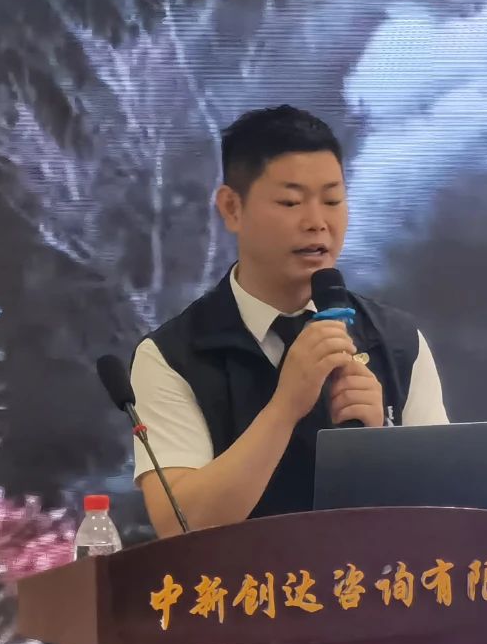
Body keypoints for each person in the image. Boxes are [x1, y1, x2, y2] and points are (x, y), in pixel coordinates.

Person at [129, 105, 448, 535]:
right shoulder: (172, 357)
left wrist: (381, 441)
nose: (317, 223)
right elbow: (179, 524)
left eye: (332, 201)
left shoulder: (396, 342)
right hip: (238, 580)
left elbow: (447, 521)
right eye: (291, 202)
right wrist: (285, 407)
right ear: (232, 208)